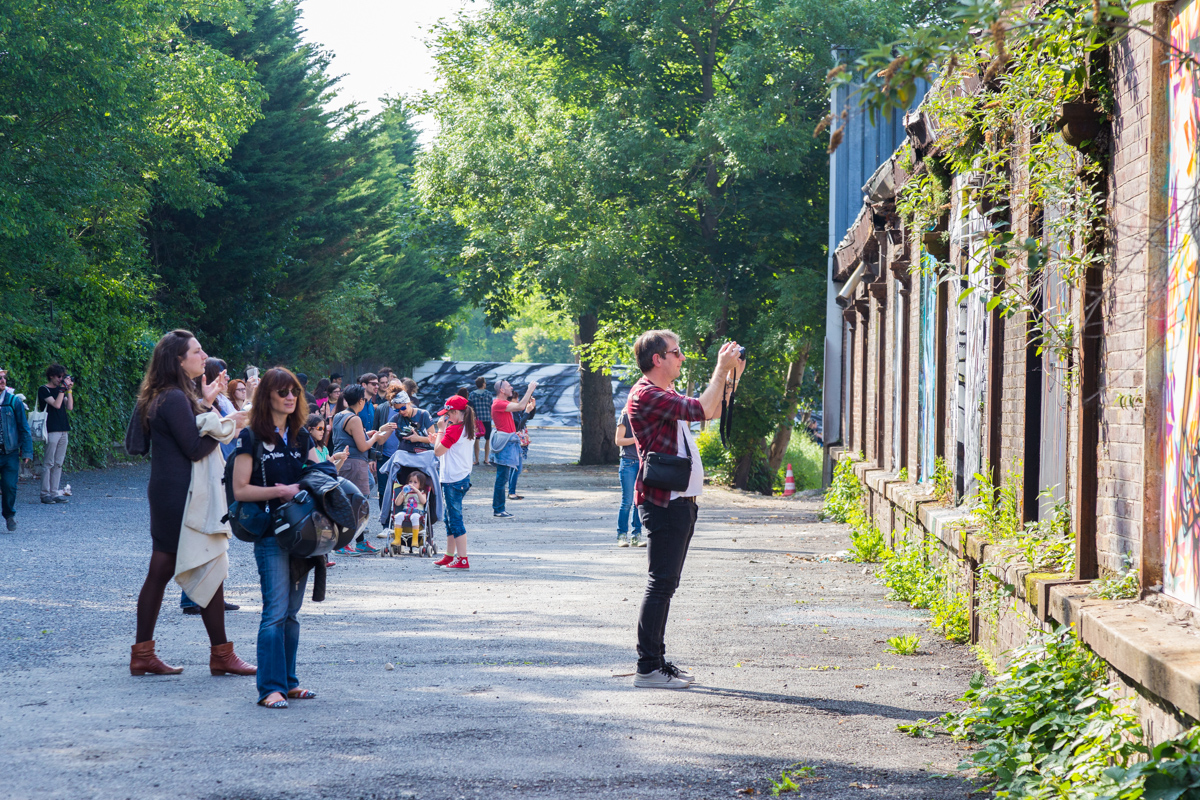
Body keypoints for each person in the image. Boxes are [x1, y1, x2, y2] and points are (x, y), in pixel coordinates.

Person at [129, 329, 255, 678]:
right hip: (180, 496)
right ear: (179, 360)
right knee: (190, 566)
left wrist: (207, 401)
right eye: (197, 352)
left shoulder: (171, 395)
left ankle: (151, 654)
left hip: (173, 493)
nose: (204, 356)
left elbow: (190, 430)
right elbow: (196, 447)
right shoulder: (171, 398)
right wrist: (231, 422)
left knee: (178, 569)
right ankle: (217, 655)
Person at [626, 331, 743, 690]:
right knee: (659, 585)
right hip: (665, 504)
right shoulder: (647, 394)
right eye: (676, 353)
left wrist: (731, 377)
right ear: (658, 359)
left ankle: (657, 661)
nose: (681, 358)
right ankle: (648, 668)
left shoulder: (665, 394)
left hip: (679, 502)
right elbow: (705, 409)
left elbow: (712, 409)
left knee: (666, 585)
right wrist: (720, 370)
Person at [230, 367, 319, 709]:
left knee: (292, 613)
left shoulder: (302, 436)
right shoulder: (250, 436)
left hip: (304, 536)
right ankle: (269, 688)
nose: (290, 397)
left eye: (294, 391)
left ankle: (289, 683)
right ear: (266, 396)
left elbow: (316, 473)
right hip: (270, 533)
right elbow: (240, 489)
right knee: (276, 611)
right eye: (283, 392)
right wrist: (280, 490)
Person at [331, 383, 395, 555]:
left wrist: (369, 434)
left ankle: (360, 541)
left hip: (344, 462)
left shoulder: (338, 416)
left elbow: (348, 438)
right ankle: (343, 544)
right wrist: (375, 438)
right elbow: (362, 446)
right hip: (355, 464)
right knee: (356, 505)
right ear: (360, 400)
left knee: (355, 502)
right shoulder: (355, 419)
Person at [432, 395, 475, 570]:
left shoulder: (453, 429)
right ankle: (450, 556)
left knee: (455, 520)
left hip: (452, 480)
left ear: (456, 412)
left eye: (448, 414)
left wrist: (441, 430)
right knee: (450, 519)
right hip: (461, 477)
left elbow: (437, 451)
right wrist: (440, 435)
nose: (446, 418)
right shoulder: (468, 426)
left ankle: (462, 558)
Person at [490, 379, 537, 518]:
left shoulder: (501, 404)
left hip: (509, 443)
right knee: (501, 478)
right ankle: (498, 509)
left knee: (503, 477)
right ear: (502, 390)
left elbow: (518, 421)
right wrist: (530, 389)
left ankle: (499, 508)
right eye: (509, 386)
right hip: (506, 444)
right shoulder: (499, 403)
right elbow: (520, 406)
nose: (512, 388)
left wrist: (528, 410)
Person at [304, 413, 346, 568]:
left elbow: (332, 470)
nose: (323, 431)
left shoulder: (323, 448)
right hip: (312, 486)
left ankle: (324, 556)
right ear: (309, 429)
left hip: (324, 486)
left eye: (324, 428)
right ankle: (315, 556)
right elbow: (317, 468)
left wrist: (341, 460)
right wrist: (335, 457)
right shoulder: (308, 448)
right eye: (319, 428)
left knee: (325, 522)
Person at [0, 368, 33, 532]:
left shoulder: (14, 402)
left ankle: (9, 515)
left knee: (9, 486)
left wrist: (27, 451)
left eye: (4, 378)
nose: (2, 381)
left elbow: (24, 427)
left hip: (9, 452)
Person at [37, 364, 73, 504]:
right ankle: (45, 493)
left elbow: (69, 407)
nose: (61, 379)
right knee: (49, 462)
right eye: (59, 377)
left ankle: (54, 492)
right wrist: (63, 389)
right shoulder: (43, 389)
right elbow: (57, 404)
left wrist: (68, 391)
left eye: (63, 377)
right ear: (51, 376)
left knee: (58, 463)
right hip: (51, 429)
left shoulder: (61, 390)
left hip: (63, 429)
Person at [615, 407, 644, 547]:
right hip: (628, 462)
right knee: (627, 501)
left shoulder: (649, 417)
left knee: (639, 501)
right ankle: (622, 535)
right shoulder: (625, 416)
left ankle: (636, 536)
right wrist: (637, 438)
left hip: (643, 462)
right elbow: (618, 440)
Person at [507, 386, 535, 500]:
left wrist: (532, 408)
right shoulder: (511, 412)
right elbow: (518, 426)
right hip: (515, 443)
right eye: (516, 399)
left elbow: (529, 417)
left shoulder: (516, 411)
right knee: (516, 468)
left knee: (515, 468)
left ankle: (511, 491)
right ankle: (511, 492)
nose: (518, 401)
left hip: (519, 442)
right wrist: (527, 411)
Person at [468, 377, 493, 465]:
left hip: (476, 420)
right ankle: (486, 459)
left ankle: (476, 460)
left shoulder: (472, 394)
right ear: (483, 384)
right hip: (487, 419)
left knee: (476, 439)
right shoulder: (489, 394)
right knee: (487, 439)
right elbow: (491, 407)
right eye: (485, 383)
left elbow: (470, 407)